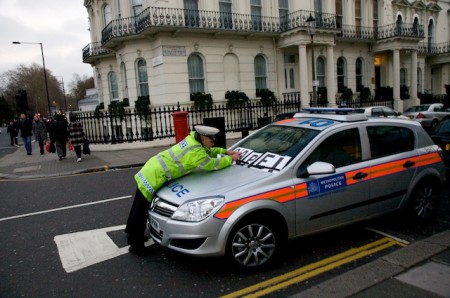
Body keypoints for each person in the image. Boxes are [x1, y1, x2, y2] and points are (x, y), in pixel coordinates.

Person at [125, 125, 241, 256]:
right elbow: (211, 164)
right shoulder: (195, 152)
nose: (213, 143)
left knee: (137, 206)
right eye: (211, 140)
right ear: (203, 138)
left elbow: (208, 151)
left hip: (151, 169)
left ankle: (130, 233)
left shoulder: (193, 141)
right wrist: (231, 159)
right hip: (154, 176)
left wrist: (225, 152)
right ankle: (136, 245)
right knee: (140, 211)